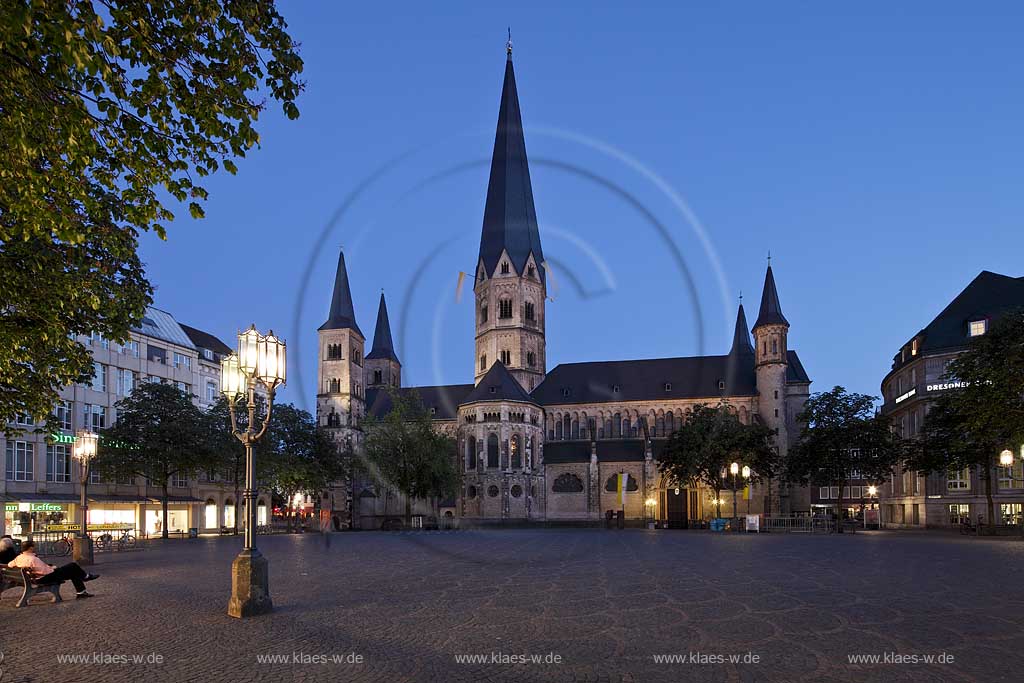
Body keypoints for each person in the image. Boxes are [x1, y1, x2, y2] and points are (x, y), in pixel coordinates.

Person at [7, 540, 99, 598]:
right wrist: (53, 567)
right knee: (73, 566)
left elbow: (9, 565)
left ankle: (81, 591)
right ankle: (85, 579)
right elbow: (46, 572)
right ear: (30, 548)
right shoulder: (33, 559)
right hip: (42, 579)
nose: (35, 548)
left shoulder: (19, 558)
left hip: (32, 578)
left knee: (73, 570)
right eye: (34, 546)